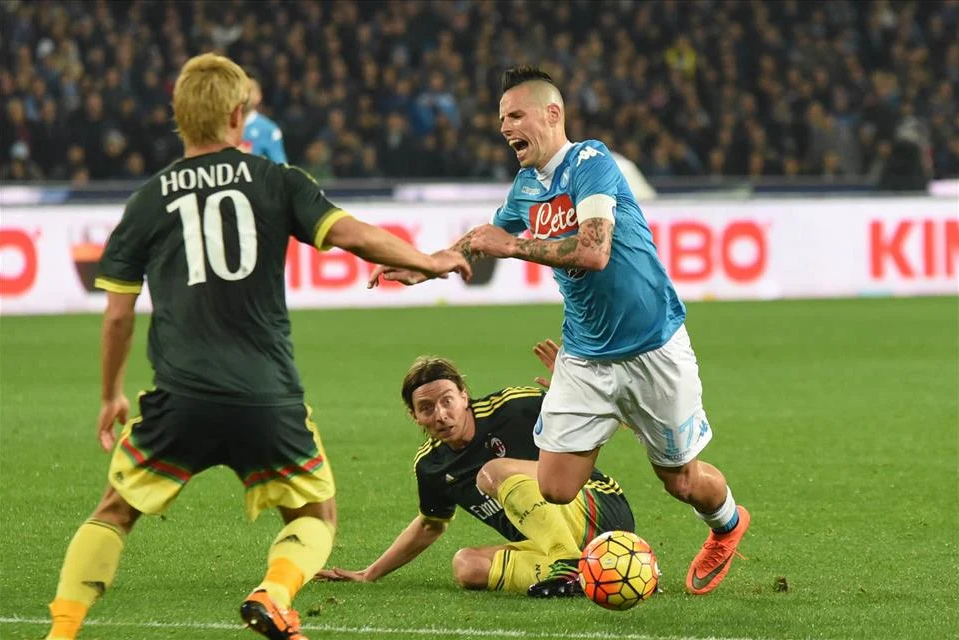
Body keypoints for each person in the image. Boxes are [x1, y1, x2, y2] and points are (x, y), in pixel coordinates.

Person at [43, 53, 470, 640]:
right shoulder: (276, 180)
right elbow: (352, 235)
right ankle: (274, 593)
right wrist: (428, 260)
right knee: (315, 514)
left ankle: (61, 631)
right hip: (267, 398)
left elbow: (118, 317)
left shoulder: (147, 201)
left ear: (178, 116)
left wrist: (110, 394)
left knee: (114, 512)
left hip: (181, 397)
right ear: (237, 115)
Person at [370, 65, 750, 597]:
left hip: (653, 348)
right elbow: (485, 237)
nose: (504, 127)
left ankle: (727, 525)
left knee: (681, 481)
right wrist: (426, 265)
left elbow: (593, 251)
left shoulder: (591, 162)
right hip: (585, 356)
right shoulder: (527, 186)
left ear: (552, 114)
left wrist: (513, 247)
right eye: (501, 119)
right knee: (553, 487)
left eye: (515, 115)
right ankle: (573, 562)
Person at [317, 342, 635, 597]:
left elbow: (616, 417)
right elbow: (430, 525)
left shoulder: (514, 407)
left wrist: (580, 397)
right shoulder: (432, 466)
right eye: (426, 408)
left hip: (598, 509)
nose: (440, 415)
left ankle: (567, 562)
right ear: (414, 416)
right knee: (467, 566)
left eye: (447, 401)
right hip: (553, 544)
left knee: (492, 472)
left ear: (464, 396)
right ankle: (585, 576)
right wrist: (369, 573)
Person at [240, 70, 287, 163]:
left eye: (250, 90)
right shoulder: (220, 127)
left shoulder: (269, 130)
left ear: (259, 96)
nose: (245, 94)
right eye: (241, 89)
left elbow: (279, 167)